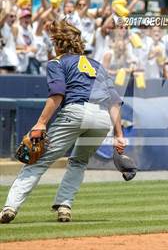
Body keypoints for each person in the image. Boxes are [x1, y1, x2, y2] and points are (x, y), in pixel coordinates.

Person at [0, 20, 125, 223]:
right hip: (102, 118)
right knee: (79, 162)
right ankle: (65, 206)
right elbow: (114, 101)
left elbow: (57, 94)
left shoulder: (57, 62)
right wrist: (119, 135)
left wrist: (41, 123)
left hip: (75, 111)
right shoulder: (97, 65)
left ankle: (10, 208)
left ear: (58, 44)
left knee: (37, 162)